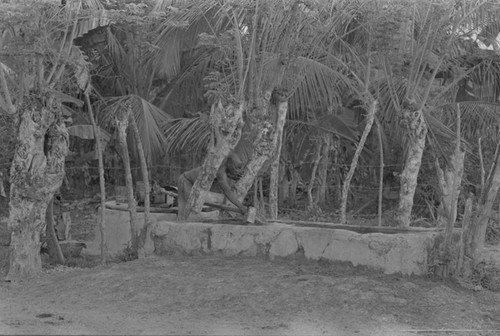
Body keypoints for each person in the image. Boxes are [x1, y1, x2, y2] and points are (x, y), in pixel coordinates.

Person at [177, 152, 247, 218]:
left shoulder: (223, 168)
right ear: (230, 163)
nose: (237, 171)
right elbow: (227, 192)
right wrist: (241, 207)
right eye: (236, 167)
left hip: (191, 183)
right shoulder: (220, 171)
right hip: (186, 181)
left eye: (239, 168)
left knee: (190, 211)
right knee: (187, 211)